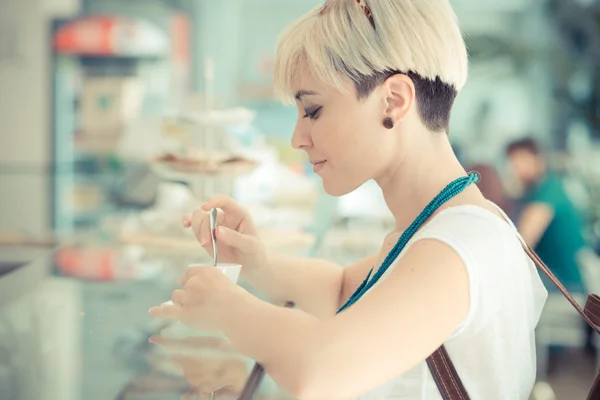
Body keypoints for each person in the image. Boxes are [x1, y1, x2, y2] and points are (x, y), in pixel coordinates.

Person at [150, 1, 548, 399]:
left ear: (393, 101)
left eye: (313, 110)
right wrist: (257, 263)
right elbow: (343, 291)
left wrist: (228, 308)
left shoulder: (457, 248)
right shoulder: (445, 222)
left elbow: (321, 369)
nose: (297, 138)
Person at [505, 138, 587, 293]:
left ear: (539, 159)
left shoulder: (549, 189)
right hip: (553, 281)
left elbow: (524, 240)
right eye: (511, 160)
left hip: (564, 286)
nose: (514, 166)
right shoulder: (533, 191)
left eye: (521, 159)